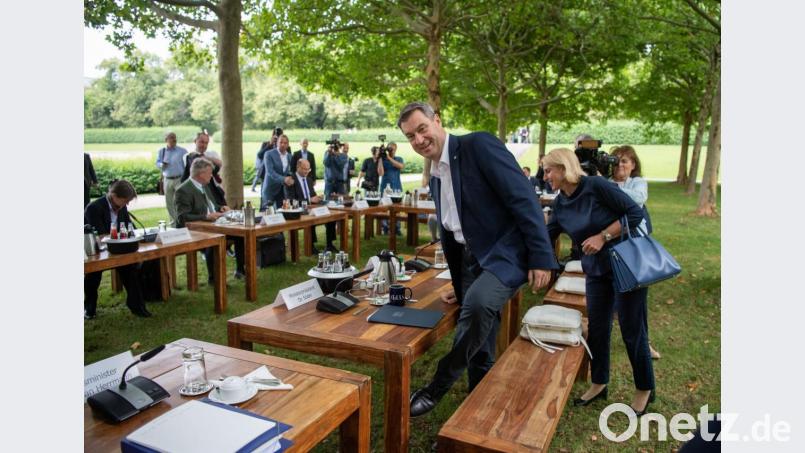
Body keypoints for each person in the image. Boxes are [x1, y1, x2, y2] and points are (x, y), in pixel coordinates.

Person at [397, 102, 557, 417]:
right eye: (410, 136)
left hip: (506, 253)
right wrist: (461, 283)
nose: (418, 140)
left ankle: (437, 387)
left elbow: (524, 199)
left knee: (480, 304)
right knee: (481, 337)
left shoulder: (478, 145)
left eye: (421, 129)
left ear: (437, 120)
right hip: (472, 261)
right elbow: (453, 232)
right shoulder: (436, 177)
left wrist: (542, 257)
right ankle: (477, 403)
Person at [541, 147, 654, 416]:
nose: (544, 176)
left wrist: (603, 236)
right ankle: (599, 382)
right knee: (599, 329)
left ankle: (644, 389)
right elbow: (546, 235)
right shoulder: (560, 203)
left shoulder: (595, 185)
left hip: (625, 265)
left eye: (548, 170)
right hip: (595, 271)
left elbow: (634, 213)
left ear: (564, 167)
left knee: (631, 329)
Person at [610, 145, 660, 360]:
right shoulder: (605, 183)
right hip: (609, 242)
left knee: (637, 295)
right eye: (617, 161)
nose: (620, 165)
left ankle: (644, 341)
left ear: (633, 165)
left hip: (633, 244)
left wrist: (610, 190)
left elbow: (636, 200)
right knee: (609, 292)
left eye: (625, 161)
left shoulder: (638, 183)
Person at [84, 180, 151, 319]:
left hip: (119, 248)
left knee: (131, 269)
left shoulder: (121, 207)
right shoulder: (93, 208)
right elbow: (101, 235)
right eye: (124, 201)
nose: (126, 205)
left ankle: (137, 306)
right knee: (93, 276)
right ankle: (89, 308)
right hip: (96, 251)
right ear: (113, 195)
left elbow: (129, 227)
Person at [175, 158, 245, 281]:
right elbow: (182, 217)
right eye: (209, 173)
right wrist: (206, 217)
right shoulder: (183, 190)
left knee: (240, 235)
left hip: (213, 225)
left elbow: (211, 205)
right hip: (196, 230)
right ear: (201, 174)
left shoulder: (205, 185)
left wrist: (221, 208)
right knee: (214, 241)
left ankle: (240, 270)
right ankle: (215, 279)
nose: (211, 175)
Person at [288, 159, 337, 253]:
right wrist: (310, 200)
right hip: (298, 210)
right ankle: (311, 246)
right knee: (311, 219)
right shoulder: (291, 180)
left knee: (331, 216)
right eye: (304, 169)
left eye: (308, 169)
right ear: (298, 167)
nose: (307, 171)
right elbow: (291, 201)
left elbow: (313, 195)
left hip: (312, 208)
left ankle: (329, 244)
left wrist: (318, 198)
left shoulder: (309, 179)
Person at [181, 132, 226, 206]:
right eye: (202, 142)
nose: (204, 145)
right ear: (195, 141)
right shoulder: (188, 156)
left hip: (214, 188)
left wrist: (206, 157)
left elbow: (221, 163)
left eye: (206, 143)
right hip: (199, 189)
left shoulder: (212, 154)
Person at [155, 131, 188, 228]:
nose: (174, 139)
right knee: (169, 203)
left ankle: (182, 222)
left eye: (175, 137)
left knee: (180, 201)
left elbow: (187, 165)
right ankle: (174, 224)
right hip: (167, 180)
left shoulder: (182, 151)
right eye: (171, 137)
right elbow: (157, 163)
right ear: (166, 140)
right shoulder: (162, 151)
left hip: (179, 179)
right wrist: (162, 164)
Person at [260, 134, 294, 210]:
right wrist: (284, 179)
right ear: (277, 143)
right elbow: (270, 172)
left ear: (288, 145)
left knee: (282, 212)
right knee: (266, 212)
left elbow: (290, 171)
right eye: (281, 142)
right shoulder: (269, 154)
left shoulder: (289, 156)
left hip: (282, 189)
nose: (283, 144)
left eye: (285, 143)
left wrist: (291, 178)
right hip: (270, 188)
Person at [380, 142, 405, 235]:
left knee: (397, 209)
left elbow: (401, 166)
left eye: (392, 149)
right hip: (385, 187)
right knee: (385, 208)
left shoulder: (399, 159)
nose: (391, 151)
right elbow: (380, 172)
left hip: (396, 187)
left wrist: (389, 158)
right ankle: (385, 228)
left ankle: (396, 228)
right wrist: (380, 158)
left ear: (396, 149)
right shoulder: (383, 160)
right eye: (389, 149)